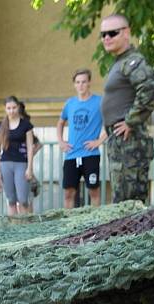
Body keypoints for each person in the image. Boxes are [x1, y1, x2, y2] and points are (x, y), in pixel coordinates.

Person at [99, 14, 154, 204]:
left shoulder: (132, 61)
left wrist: (131, 121)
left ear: (126, 33)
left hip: (130, 142)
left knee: (131, 201)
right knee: (123, 199)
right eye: (103, 35)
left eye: (112, 33)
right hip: (120, 141)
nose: (106, 38)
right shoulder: (119, 62)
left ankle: (138, 235)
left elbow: (150, 88)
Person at [57, 68, 107, 209]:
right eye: (78, 82)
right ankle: (69, 225)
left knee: (94, 191)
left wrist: (99, 141)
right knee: (68, 192)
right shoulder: (70, 103)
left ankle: (94, 224)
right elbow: (60, 122)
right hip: (72, 154)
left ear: (89, 82)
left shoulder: (99, 101)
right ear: (74, 84)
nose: (81, 85)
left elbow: (111, 123)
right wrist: (61, 141)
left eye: (84, 82)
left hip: (90, 154)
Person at [0, 96, 35, 215]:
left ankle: (24, 228)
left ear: (18, 107)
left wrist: (30, 168)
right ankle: (14, 228)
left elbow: (30, 148)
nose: (11, 111)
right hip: (5, 163)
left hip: (21, 163)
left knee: (23, 199)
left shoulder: (26, 125)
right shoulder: (0, 125)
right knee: (11, 200)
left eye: (14, 108)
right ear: (5, 109)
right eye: (9, 108)